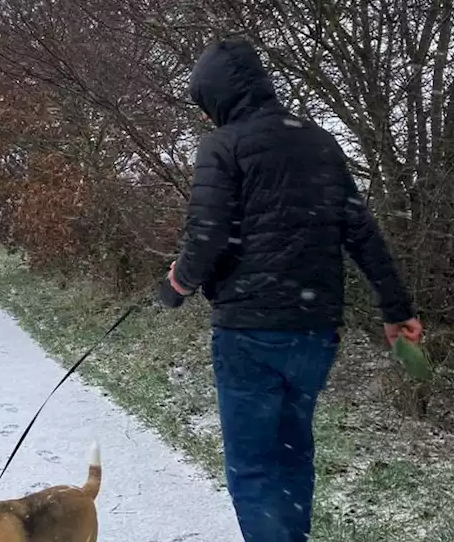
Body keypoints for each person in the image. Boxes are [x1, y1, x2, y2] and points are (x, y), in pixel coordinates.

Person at [158, 36, 424, 542]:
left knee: (254, 468)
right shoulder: (319, 141)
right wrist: (397, 308)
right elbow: (361, 231)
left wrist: (178, 283)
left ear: (216, 96)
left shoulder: (223, 144)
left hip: (249, 331)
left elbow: (207, 235)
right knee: (292, 454)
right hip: (314, 332)